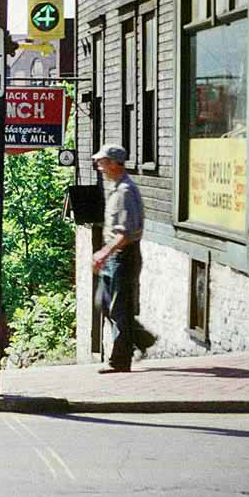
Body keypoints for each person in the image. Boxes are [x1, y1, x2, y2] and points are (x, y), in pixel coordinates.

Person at [92, 144, 157, 373]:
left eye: (102, 162)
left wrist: (103, 253)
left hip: (123, 257)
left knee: (120, 309)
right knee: (105, 304)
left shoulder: (125, 192)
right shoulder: (115, 188)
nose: (99, 167)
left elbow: (125, 234)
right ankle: (142, 338)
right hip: (114, 258)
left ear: (114, 163)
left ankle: (120, 361)